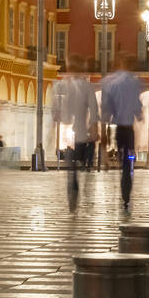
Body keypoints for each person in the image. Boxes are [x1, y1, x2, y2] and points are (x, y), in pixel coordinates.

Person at [52, 55, 99, 212]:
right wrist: (94, 129)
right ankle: (78, 194)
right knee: (78, 169)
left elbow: (60, 114)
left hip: (69, 136)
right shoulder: (87, 87)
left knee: (71, 171)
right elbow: (94, 110)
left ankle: (73, 199)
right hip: (81, 134)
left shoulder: (63, 86)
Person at [100, 53, 144, 214]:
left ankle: (123, 181)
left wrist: (104, 124)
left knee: (122, 158)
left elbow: (107, 106)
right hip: (129, 127)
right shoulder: (134, 82)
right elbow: (137, 104)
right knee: (127, 162)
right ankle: (126, 191)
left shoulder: (112, 82)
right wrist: (139, 115)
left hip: (117, 126)